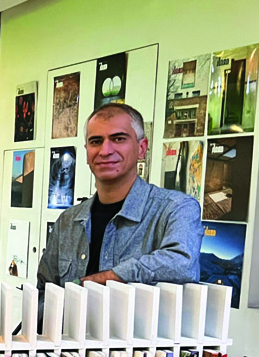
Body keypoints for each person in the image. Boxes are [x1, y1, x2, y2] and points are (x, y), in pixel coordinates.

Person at [37, 102, 202, 290]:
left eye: (118, 139)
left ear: (142, 148)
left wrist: (110, 277)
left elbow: (182, 264)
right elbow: (45, 291)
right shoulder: (68, 221)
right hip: (71, 321)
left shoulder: (175, 209)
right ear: (87, 152)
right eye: (96, 141)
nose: (105, 151)